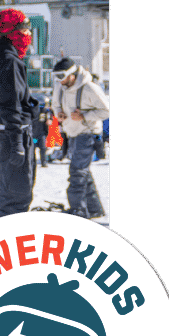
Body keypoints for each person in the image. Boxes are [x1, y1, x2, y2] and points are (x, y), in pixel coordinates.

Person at [0, 8, 39, 219]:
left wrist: (31, 106)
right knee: (14, 196)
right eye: (24, 29)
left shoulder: (0, 58)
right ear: (11, 31)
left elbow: (12, 99)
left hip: (6, 132)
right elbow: (9, 104)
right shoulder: (8, 61)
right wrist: (17, 143)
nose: (28, 34)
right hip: (12, 134)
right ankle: (0, 243)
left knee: (11, 194)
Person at [51, 59, 110, 219]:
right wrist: (59, 114)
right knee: (83, 172)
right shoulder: (60, 87)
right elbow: (55, 105)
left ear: (72, 74)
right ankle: (94, 209)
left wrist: (84, 115)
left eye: (62, 76)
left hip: (88, 134)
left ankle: (78, 210)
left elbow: (106, 111)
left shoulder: (89, 87)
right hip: (72, 134)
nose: (59, 80)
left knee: (77, 172)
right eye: (56, 77)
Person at [32, 99, 51, 168]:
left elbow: (48, 119)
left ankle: (44, 162)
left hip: (41, 133)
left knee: (43, 148)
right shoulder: (32, 110)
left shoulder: (44, 112)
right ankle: (32, 162)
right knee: (33, 148)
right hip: (33, 134)